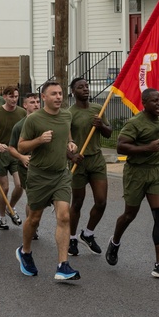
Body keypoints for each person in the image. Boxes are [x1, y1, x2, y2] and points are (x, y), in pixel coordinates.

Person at [105, 88, 159, 280]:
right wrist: (146, 148)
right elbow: (121, 146)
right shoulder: (134, 123)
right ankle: (115, 241)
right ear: (144, 103)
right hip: (136, 173)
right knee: (130, 214)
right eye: (155, 101)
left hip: (156, 171)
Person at [14, 81, 80, 281]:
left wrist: (71, 143)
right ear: (44, 98)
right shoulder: (33, 120)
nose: (59, 97)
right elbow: (22, 147)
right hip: (39, 175)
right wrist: (39, 140)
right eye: (54, 94)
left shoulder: (67, 115)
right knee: (34, 219)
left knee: (64, 217)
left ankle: (63, 265)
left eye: (60, 93)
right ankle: (25, 252)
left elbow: (68, 135)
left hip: (61, 174)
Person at [67, 77, 112, 257]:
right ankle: (71, 238)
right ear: (73, 92)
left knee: (101, 201)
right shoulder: (69, 113)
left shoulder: (97, 110)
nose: (85, 89)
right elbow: (63, 140)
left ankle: (88, 234)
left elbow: (109, 133)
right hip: (79, 162)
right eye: (80, 87)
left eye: (86, 86)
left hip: (96, 160)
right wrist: (71, 156)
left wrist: (101, 125)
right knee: (77, 202)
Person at [0, 86, 25, 230]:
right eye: (11, 96)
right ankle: (1, 217)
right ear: (4, 97)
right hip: (1, 154)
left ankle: (10, 208)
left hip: (15, 153)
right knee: (4, 187)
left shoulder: (22, 113)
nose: (14, 99)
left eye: (16, 96)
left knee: (20, 185)